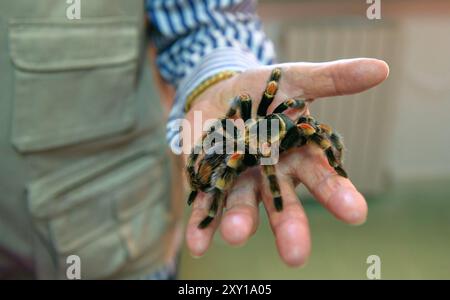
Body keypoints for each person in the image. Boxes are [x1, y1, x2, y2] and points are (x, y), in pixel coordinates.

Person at [0, 0, 388, 279]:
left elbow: (208, 22)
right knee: (244, 160)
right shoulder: (253, 148)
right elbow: (260, 159)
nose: (301, 126)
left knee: (302, 137)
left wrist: (220, 76)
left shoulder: (275, 125)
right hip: (64, 221)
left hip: (108, 248)